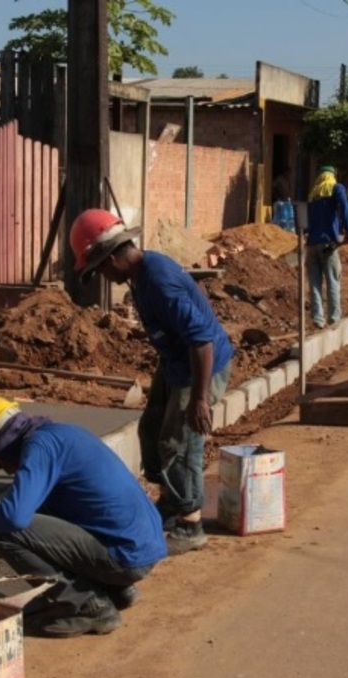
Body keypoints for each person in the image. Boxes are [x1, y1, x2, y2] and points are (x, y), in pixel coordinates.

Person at [69, 208, 233, 555]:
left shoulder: (158, 282)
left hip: (200, 366)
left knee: (179, 440)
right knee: (152, 429)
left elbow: (201, 342)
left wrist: (199, 400)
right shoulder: (139, 276)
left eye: (98, 268)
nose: (100, 275)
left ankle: (190, 524)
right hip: (177, 362)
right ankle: (173, 502)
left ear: (113, 257)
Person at [0, 397, 167, 638]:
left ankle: (89, 607)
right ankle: (114, 590)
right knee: (38, 510)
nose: (7, 470)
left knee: (5, 533)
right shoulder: (60, 434)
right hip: (143, 548)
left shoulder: (40, 448)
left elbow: (14, 518)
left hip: (125, 557)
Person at [304, 166, 348, 329]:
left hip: (311, 245)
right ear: (332, 176)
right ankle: (334, 317)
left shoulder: (313, 193)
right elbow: (345, 208)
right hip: (329, 244)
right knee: (332, 280)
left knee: (315, 283)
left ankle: (318, 318)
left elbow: (305, 221)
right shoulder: (336, 188)